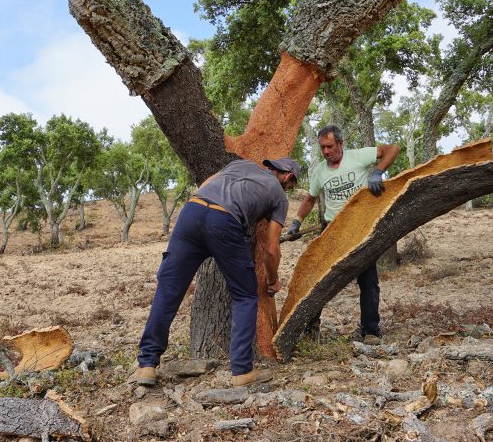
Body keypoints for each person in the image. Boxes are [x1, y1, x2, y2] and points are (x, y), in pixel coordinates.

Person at [129, 157, 301, 387]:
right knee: (245, 294)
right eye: (291, 186)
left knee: (169, 290)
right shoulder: (279, 196)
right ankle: (242, 371)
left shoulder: (239, 165)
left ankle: (146, 365)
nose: (289, 190)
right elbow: (271, 249)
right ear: (288, 177)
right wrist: (273, 280)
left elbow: (206, 185)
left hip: (191, 212)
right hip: (224, 221)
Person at [285, 125, 400, 345]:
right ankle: (310, 330)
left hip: (360, 227)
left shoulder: (358, 156)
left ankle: (370, 331)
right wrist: (296, 223)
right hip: (332, 229)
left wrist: (378, 171)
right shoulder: (319, 171)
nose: (326, 151)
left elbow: (393, 149)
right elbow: (310, 198)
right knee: (318, 280)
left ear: (340, 144)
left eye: (330, 146)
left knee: (368, 282)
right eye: (322, 148)